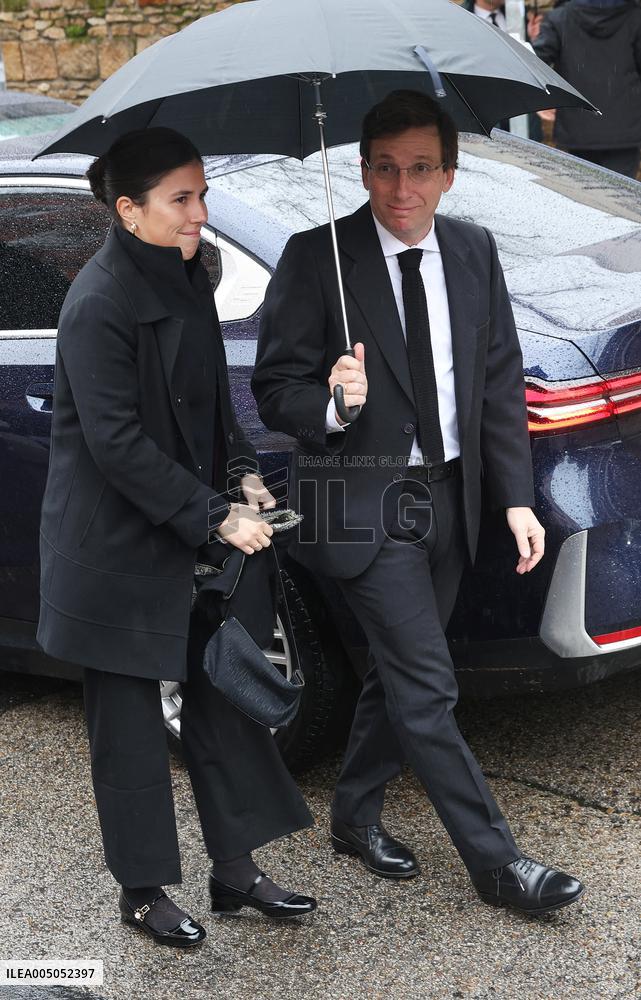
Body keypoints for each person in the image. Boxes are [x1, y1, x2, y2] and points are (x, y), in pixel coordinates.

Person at [252, 90, 584, 915]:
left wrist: (512, 501)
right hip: (356, 500)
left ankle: (353, 816)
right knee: (429, 686)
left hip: (448, 496)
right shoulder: (314, 257)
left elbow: (498, 385)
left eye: (421, 169)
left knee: (399, 678)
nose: (402, 188)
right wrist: (330, 402)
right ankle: (500, 864)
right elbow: (272, 390)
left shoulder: (474, 252)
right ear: (363, 169)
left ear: (449, 173)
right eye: (386, 169)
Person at [37, 127, 316, 948]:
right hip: (116, 549)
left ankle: (237, 870)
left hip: (193, 527)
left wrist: (242, 475)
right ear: (128, 210)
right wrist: (213, 515)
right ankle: (143, 891)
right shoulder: (95, 303)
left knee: (223, 705)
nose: (201, 213)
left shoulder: (191, 276)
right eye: (181, 199)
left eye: (202, 193)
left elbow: (209, 404)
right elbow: (115, 442)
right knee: (127, 729)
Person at [533, 0, 641, 178]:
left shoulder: (560, 17)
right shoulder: (635, 17)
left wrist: (542, 99)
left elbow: (536, 62)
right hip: (623, 131)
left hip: (576, 127)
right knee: (620, 201)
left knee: (582, 199)